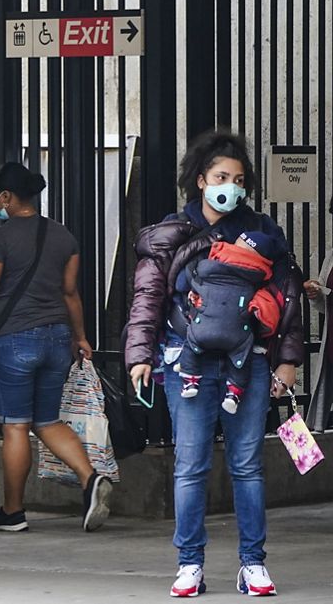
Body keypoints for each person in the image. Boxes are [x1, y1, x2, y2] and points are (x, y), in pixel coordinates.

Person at [125, 131, 303, 598]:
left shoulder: (264, 234)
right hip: (186, 362)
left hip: (250, 363)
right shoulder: (171, 234)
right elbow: (148, 298)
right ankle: (189, 564)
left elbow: (287, 300)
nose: (231, 186)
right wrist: (140, 355)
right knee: (190, 466)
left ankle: (253, 564)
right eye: (222, 177)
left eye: (239, 179)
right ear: (201, 180)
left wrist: (287, 362)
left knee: (247, 465)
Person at [0, 162, 112, 536]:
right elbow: (70, 293)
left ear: (7, 197)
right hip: (57, 339)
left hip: (16, 339)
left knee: (16, 424)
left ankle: (13, 511)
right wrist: (80, 337)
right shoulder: (64, 236)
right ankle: (89, 477)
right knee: (47, 420)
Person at [172, 231, 283, 413]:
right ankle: (234, 393)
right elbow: (268, 317)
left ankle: (190, 376)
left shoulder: (209, 266)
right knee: (241, 357)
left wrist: (196, 302)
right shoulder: (255, 280)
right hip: (237, 334)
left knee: (192, 342)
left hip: (203, 327)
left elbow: (184, 286)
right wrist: (263, 329)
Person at [306, 217, 333, 432]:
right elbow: (325, 305)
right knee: (316, 424)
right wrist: (315, 292)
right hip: (331, 346)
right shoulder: (332, 254)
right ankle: (310, 464)